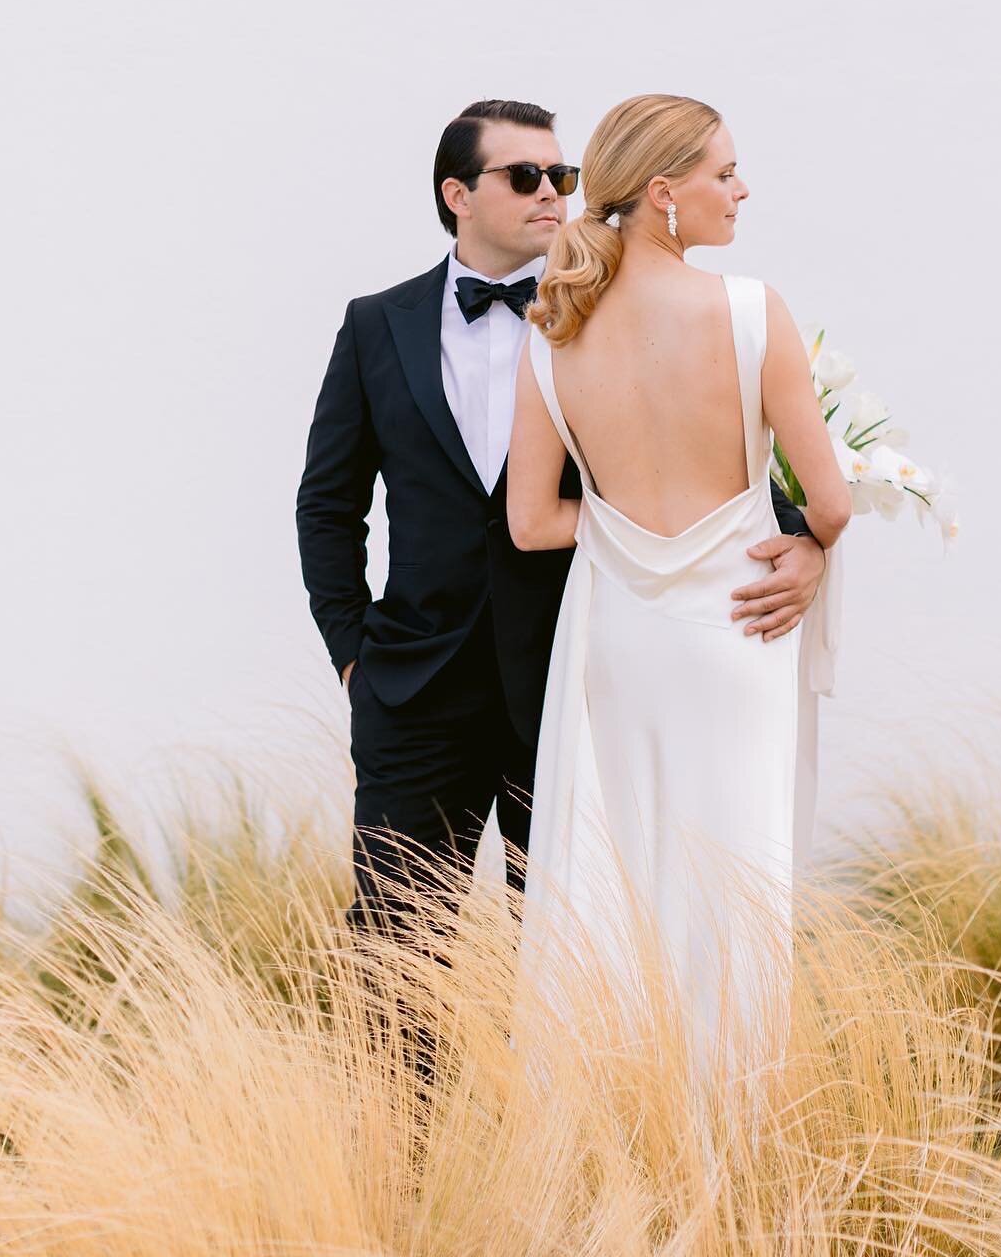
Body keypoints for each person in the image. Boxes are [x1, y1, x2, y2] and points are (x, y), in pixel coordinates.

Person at [294, 98, 827, 974]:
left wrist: (802, 537)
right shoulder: (374, 325)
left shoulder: (594, 312)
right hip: (413, 692)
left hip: (574, 678)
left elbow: (708, 458)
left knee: (577, 957)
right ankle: (394, 1120)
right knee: (395, 956)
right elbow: (327, 505)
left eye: (563, 176)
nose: (554, 193)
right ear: (456, 194)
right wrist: (355, 656)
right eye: (525, 177)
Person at [505, 93, 852, 1085]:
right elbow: (827, 501)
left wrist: (620, 529)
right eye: (724, 173)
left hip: (621, 638)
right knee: (736, 879)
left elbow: (533, 524)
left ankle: (618, 1118)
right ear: (664, 194)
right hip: (741, 622)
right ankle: (726, 1142)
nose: (742, 190)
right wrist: (808, 548)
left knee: (623, 883)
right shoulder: (749, 312)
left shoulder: (552, 333)